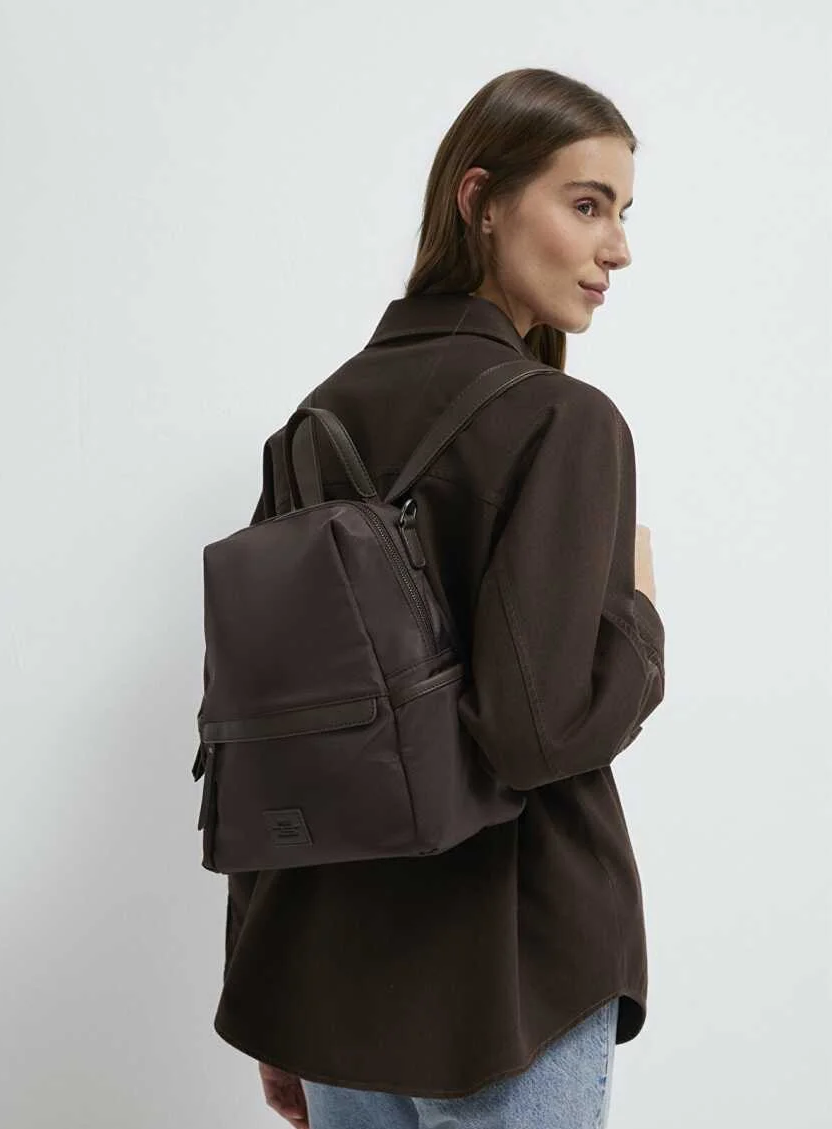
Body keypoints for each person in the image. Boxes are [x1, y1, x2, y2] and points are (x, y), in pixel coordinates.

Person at [214, 66, 665, 1129]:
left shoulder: (311, 423)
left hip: (327, 969)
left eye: (622, 213)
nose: (617, 248)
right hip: (507, 975)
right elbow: (531, 733)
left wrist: (264, 988)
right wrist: (638, 618)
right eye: (586, 204)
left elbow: (264, 735)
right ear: (480, 200)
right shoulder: (562, 420)